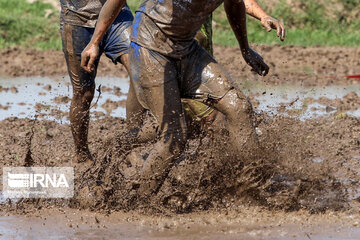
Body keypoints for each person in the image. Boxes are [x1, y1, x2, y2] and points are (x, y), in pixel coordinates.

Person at [81, 0, 283, 195]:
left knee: (238, 107)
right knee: (174, 136)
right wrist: (94, 42)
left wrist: (245, 49)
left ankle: (255, 186)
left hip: (186, 48)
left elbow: (235, 3)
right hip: (151, 45)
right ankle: (137, 200)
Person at [60, 0, 133, 163]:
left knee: (140, 72)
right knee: (83, 93)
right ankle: (82, 154)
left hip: (118, 16)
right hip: (78, 19)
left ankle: (130, 144)